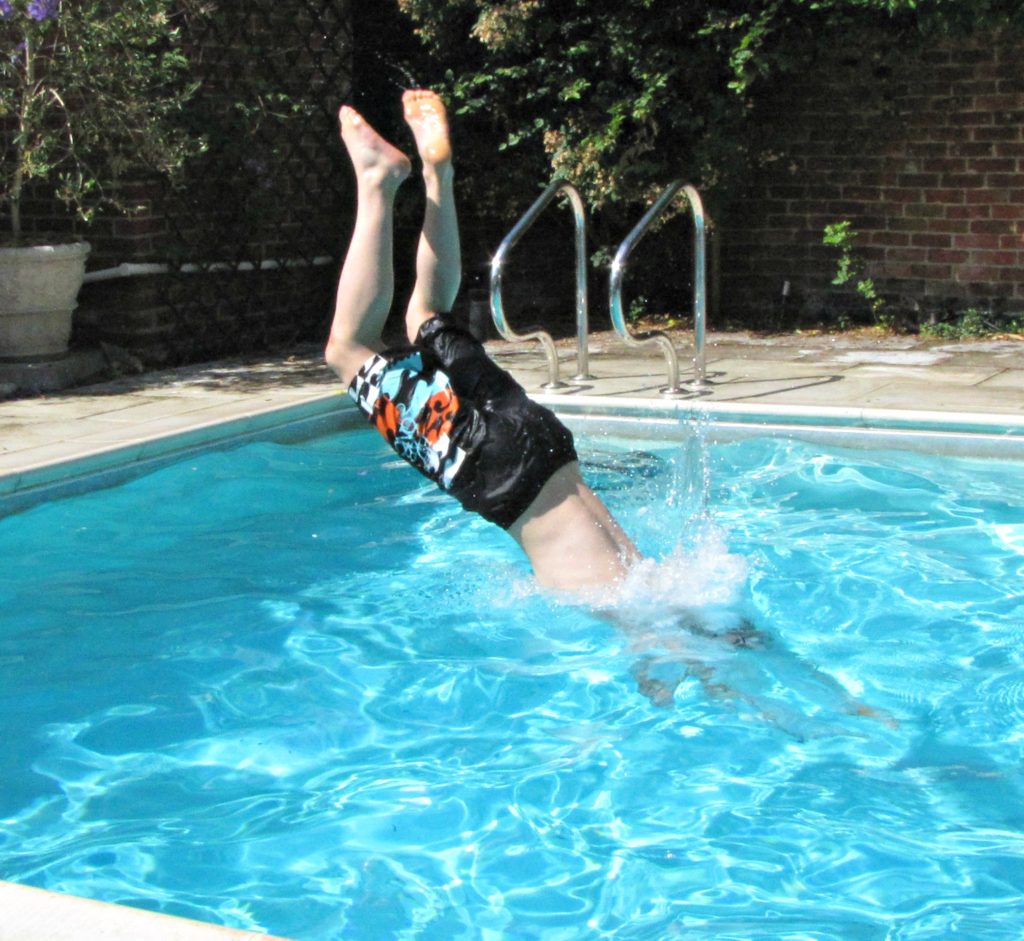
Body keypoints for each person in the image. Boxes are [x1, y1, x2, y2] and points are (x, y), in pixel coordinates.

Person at [325, 90, 640, 593]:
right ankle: (376, 180)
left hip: (546, 441)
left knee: (428, 316)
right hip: (498, 469)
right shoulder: (640, 606)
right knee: (347, 348)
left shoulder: (657, 579)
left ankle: (438, 176)